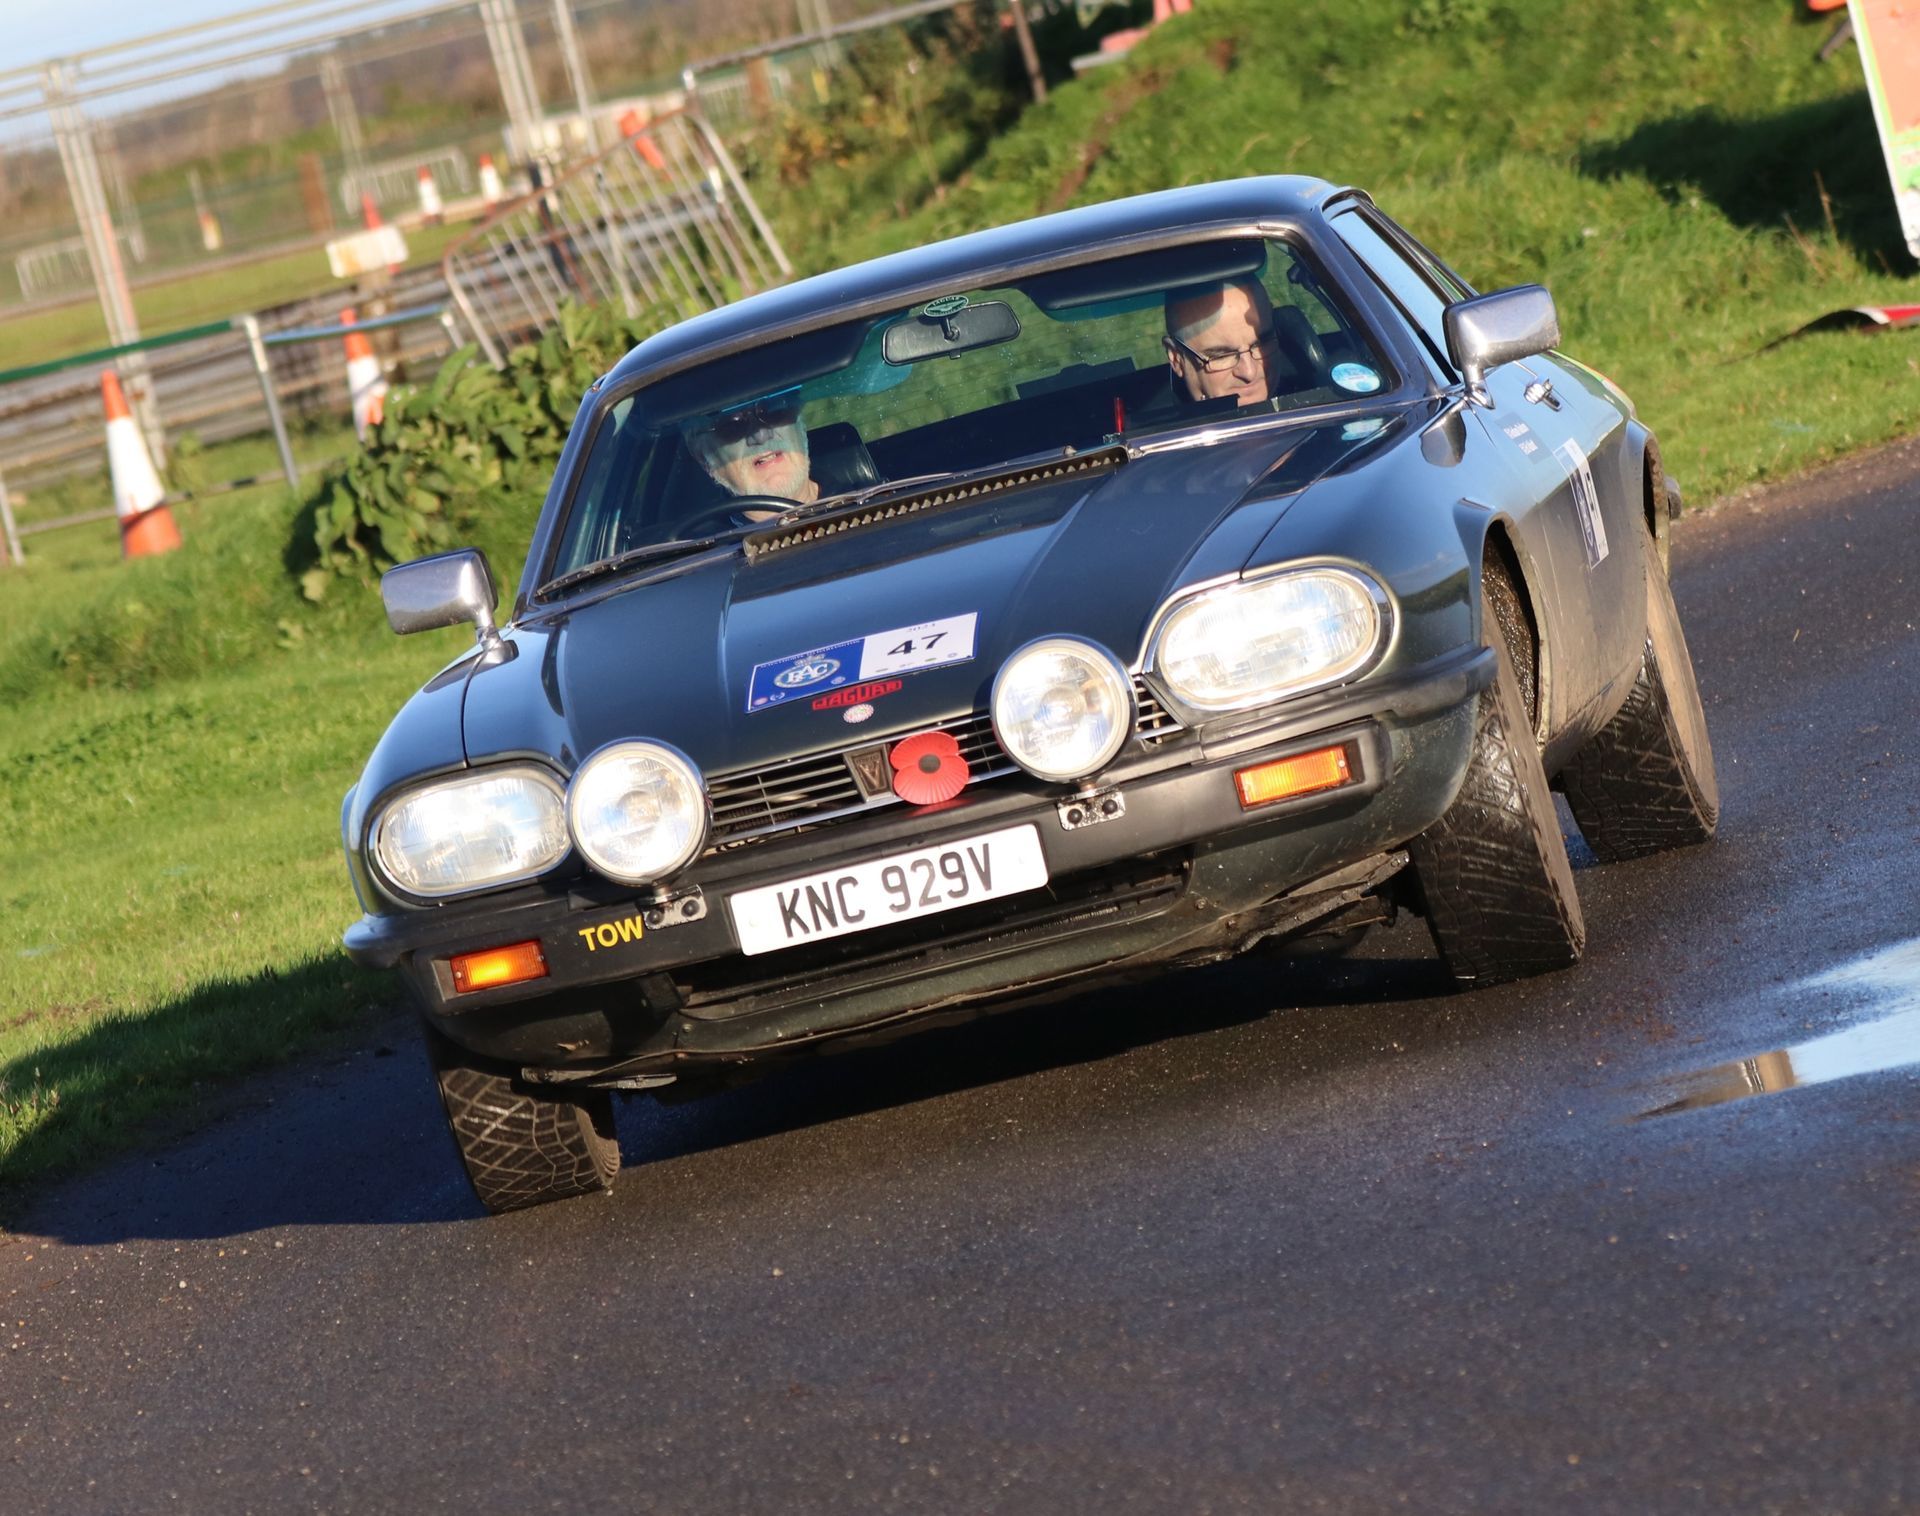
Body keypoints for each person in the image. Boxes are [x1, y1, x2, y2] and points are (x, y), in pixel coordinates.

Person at [1162, 276, 1281, 409]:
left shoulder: (1307, 398)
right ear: (1177, 359)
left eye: (1261, 343)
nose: (1249, 372)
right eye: (1222, 355)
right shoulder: (1155, 429)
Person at [684, 393, 820, 508]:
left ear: (800, 425)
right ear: (703, 458)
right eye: (733, 423)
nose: (761, 435)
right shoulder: (688, 539)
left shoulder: (842, 495)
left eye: (772, 409)